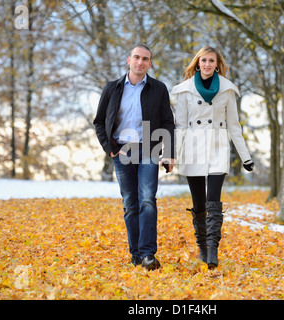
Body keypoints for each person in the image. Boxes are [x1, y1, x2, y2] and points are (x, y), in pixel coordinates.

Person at [171, 46, 254, 269]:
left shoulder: (227, 90)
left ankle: (213, 249)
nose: (207, 64)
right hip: (192, 148)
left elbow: (234, 126)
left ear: (217, 64)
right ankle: (202, 248)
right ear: (197, 63)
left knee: (213, 201)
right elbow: (179, 126)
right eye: (203, 60)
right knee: (199, 204)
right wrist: (171, 155)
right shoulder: (184, 90)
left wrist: (245, 157)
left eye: (211, 61)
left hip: (217, 147)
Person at [93, 45, 175, 270]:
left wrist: (169, 152)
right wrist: (109, 148)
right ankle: (136, 254)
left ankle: (148, 254)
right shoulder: (113, 88)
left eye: (145, 59)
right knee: (130, 203)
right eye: (136, 57)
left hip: (149, 148)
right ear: (128, 60)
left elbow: (168, 121)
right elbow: (99, 121)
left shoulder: (158, 88)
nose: (140, 62)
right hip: (122, 151)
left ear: (150, 63)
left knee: (147, 199)